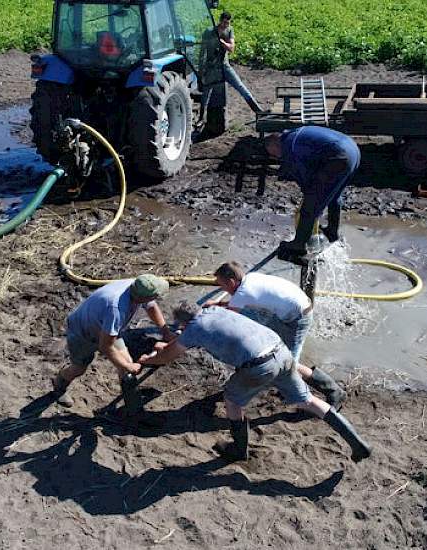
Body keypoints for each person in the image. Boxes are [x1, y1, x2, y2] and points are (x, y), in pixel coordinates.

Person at [139, 301, 371, 463]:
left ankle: (238, 449)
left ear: (183, 323)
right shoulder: (217, 312)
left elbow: (169, 355)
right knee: (308, 400)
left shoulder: (194, 329)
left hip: (259, 364)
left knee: (232, 400)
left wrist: (149, 360)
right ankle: (356, 443)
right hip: (281, 351)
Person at [204, 261, 346, 409]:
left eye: (222, 285)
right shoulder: (251, 278)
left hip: (297, 317)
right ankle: (281, 384)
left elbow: (227, 319)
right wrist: (218, 304)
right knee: (272, 350)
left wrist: (205, 318)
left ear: (232, 282)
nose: (222, 288)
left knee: (287, 363)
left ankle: (334, 391)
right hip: (294, 309)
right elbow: (239, 305)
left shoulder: (241, 294)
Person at [53, 274, 175, 413]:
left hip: (106, 327)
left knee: (126, 366)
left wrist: (165, 331)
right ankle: (59, 385)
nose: (156, 298)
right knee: (79, 368)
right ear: (142, 297)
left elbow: (151, 307)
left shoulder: (137, 286)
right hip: (83, 332)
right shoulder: (116, 309)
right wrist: (128, 366)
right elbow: (106, 346)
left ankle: (132, 408)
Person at [264, 127, 361, 258]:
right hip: (353, 151)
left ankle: (298, 244)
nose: (274, 156)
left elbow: (303, 174)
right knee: (335, 196)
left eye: (272, 153)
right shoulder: (296, 135)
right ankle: (332, 233)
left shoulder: (289, 146)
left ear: (275, 144)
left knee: (310, 206)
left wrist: (309, 196)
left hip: (339, 157)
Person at [200, 11, 264, 118]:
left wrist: (223, 43)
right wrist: (201, 69)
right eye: (224, 23)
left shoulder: (229, 31)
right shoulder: (208, 32)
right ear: (220, 21)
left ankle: (258, 110)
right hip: (211, 67)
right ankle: (201, 117)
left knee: (240, 86)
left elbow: (231, 48)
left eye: (228, 23)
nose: (226, 25)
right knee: (206, 93)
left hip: (224, 66)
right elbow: (202, 52)